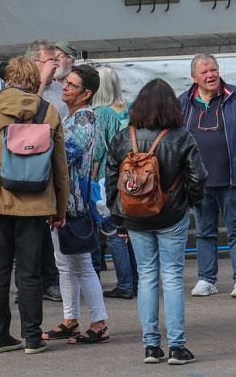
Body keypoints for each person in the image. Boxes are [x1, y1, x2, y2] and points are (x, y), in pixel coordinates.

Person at [0, 56, 69, 355]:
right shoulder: (48, 110)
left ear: (7, 79)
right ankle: (32, 338)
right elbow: (60, 165)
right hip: (35, 202)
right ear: (33, 79)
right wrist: (60, 208)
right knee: (30, 273)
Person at [106, 78, 204, 365]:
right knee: (172, 277)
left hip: (135, 216)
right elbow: (198, 177)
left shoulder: (124, 137)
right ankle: (176, 346)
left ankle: (151, 346)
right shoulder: (181, 137)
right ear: (172, 106)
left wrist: (118, 212)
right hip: (171, 213)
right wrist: (191, 200)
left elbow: (112, 177)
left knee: (147, 277)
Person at [177, 54, 236, 298]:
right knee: (204, 231)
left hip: (232, 178)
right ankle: (206, 279)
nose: (210, 75)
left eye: (213, 70)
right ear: (194, 77)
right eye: (204, 72)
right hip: (199, 181)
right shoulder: (184, 102)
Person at [43, 65, 109, 345]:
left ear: (87, 93)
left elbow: (67, 152)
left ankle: (99, 322)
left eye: (72, 85)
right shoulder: (71, 117)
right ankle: (70, 318)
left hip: (74, 202)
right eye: (65, 83)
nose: (65, 88)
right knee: (65, 263)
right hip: (61, 200)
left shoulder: (84, 119)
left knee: (81, 263)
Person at [26, 39, 68, 302]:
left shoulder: (60, 90)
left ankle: (51, 280)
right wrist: (40, 82)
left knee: (48, 228)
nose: (55, 65)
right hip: (27, 169)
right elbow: (27, 114)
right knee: (28, 232)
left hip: (52, 165)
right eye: (49, 60)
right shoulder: (24, 90)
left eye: (56, 60)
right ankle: (29, 283)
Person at [93, 67, 137, 299]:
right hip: (133, 178)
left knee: (112, 230)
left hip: (108, 178)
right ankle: (136, 281)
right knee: (129, 231)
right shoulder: (129, 109)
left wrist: (90, 180)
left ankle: (125, 284)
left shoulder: (101, 113)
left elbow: (98, 152)